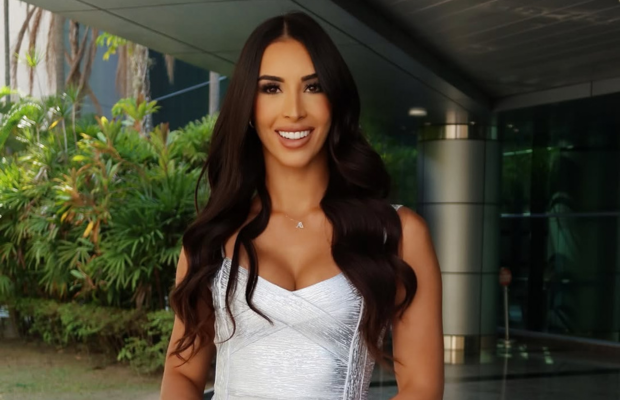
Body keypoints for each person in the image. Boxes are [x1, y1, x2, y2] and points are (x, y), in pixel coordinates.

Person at [160, 11, 443, 400]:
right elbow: (181, 376)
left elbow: (422, 388)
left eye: (313, 86)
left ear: (335, 100)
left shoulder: (398, 234)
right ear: (248, 106)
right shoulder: (213, 238)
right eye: (271, 88)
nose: (293, 110)